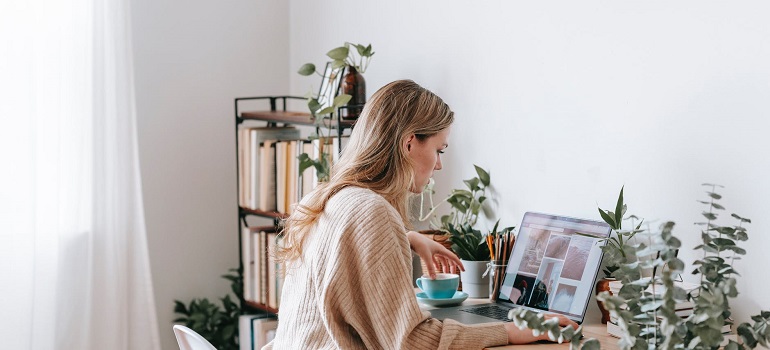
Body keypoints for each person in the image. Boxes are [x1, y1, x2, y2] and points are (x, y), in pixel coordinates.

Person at [264, 80, 577, 349]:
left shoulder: (326, 197)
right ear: (409, 143)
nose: (439, 164)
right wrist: (508, 330)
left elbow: (342, 258)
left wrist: (407, 237)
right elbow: (411, 342)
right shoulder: (371, 211)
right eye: (439, 150)